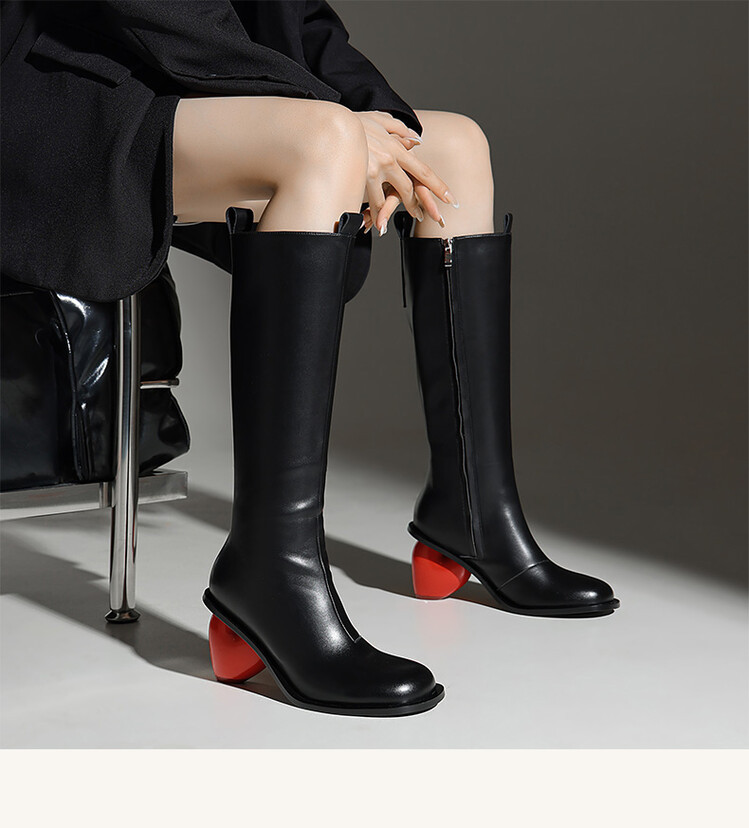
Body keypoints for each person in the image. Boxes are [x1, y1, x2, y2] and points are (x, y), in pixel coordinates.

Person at [1, 0, 619, 718]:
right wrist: (332, 118)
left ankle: (474, 518)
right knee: (320, 139)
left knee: (453, 145)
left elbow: (297, 14)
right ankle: (269, 576)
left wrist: (376, 116)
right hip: (53, 89)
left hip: (169, 79)